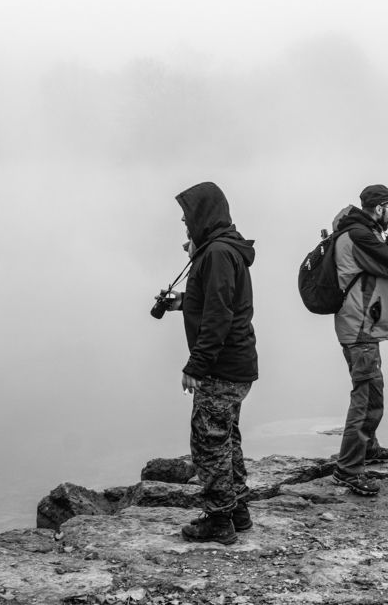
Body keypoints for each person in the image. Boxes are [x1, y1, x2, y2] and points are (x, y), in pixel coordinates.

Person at [157, 181, 258, 545]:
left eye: (187, 217)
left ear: (203, 215)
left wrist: (196, 366)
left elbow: (218, 315)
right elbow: (214, 300)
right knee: (227, 438)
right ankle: (238, 510)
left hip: (222, 366)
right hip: (237, 363)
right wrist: (181, 301)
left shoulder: (216, 253)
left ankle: (218, 521)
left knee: (208, 442)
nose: (185, 225)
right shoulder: (224, 250)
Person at [330, 184, 388, 496]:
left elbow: (386, 260)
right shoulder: (358, 236)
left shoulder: (362, 232)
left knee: (373, 391)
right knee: (364, 398)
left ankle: (368, 448)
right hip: (359, 328)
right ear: (380, 209)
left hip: (362, 325)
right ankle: (348, 470)